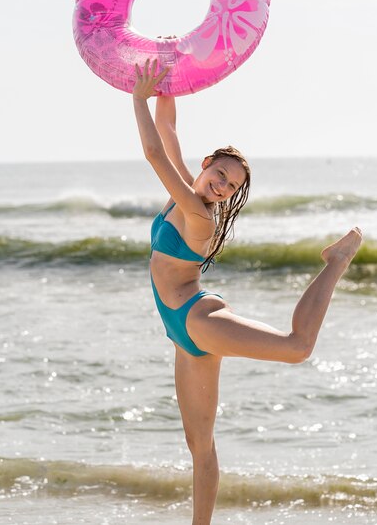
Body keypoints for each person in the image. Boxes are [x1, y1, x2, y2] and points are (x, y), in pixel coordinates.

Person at [132, 58, 362, 525]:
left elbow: (155, 154)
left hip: (198, 318)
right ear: (206, 165)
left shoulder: (198, 214)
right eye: (220, 175)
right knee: (200, 444)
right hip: (181, 333)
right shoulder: (185, 194)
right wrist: (167, 80)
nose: (222, 187)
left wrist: (138, 97)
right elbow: (169, 133)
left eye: (231, 186)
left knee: (297, 348)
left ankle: (335, 262)